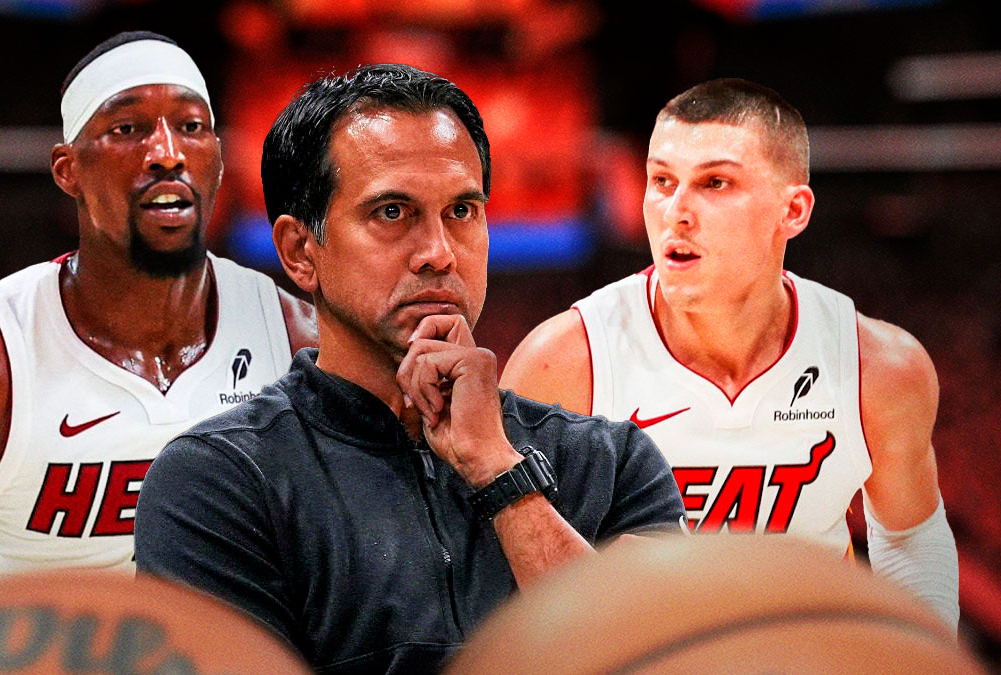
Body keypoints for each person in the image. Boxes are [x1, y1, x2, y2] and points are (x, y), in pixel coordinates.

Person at [133, 63, 686, 674]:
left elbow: (665, 662)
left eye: (462, 211)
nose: (439, 253)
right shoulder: (219, 483)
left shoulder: (611, 463)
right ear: (300, 251)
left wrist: (500, 474)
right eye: (393, 213)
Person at [0, 31, 318, 671]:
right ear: (68, 169)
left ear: (217, 157)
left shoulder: (299, 344)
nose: (167, 152)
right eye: (128, 128)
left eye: (191, 127)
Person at [499, 78, 959, 628]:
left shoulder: (879, 368)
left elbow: (910, 537)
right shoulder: (564, 365)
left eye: (714, 182)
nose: (676, 211)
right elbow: (505, 576)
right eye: (662, 181)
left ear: (792, 211)